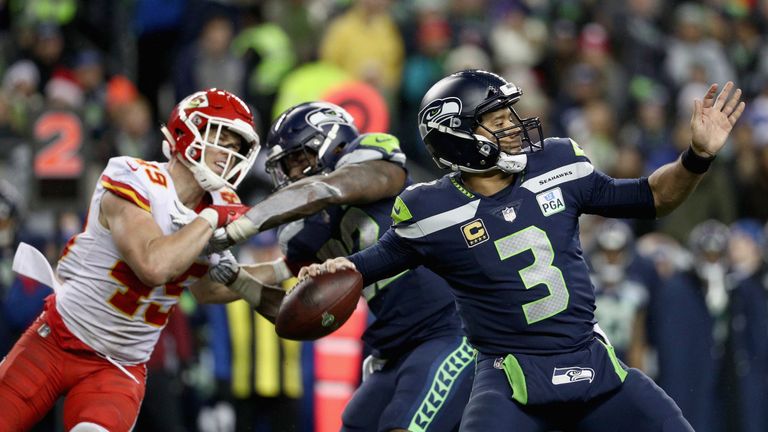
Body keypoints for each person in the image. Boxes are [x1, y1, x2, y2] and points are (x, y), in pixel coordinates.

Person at [301, 69, 745, 432]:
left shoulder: (557, 162)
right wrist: (337, 269)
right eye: (497, 121)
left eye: (510, 114)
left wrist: (696, 157)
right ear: (456, 135)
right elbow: (374, 262)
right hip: (512, 379)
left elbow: (653, 196)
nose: (513, 126)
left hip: (591, 363)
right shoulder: (430, 211)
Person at [0, 88, 285, 432]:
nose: (228, 154)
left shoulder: (215, 206)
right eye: (220, 138)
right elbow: (153, 266)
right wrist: (209, 219)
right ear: (187, 131)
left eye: (236, 147)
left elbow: (209, 290)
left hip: (118, 368)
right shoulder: (133, 175)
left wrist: (286, 266)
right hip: (58, 338)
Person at [229, 100, 474, 431]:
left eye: (299, 158)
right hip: (391, 348)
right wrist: (215, 264)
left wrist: (243, 224)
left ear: (333, 142)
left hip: (449, 328)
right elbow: (253, 296)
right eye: (287, 167)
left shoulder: (373, 160)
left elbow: (332, 188)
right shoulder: (308, 233)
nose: (293, 175)